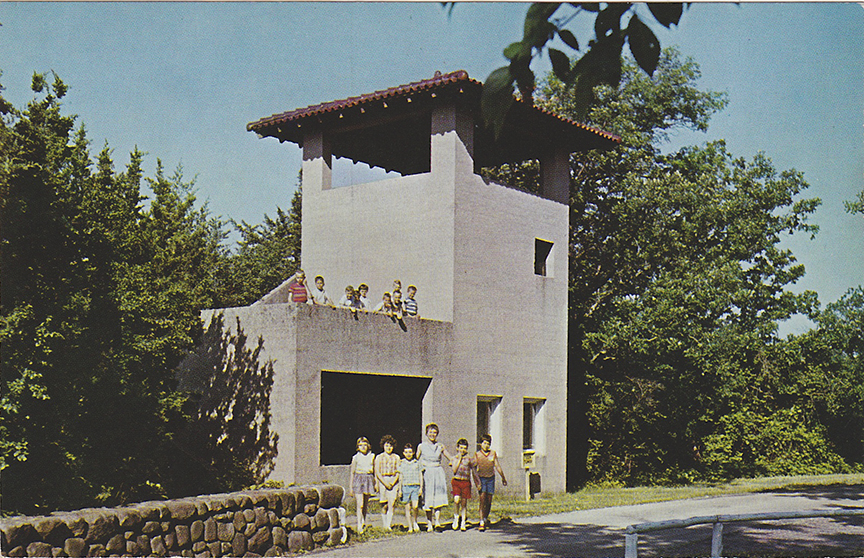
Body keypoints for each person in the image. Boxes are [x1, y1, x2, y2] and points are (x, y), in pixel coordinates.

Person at [417, 423, 452, 531]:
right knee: (428, 497)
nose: (432, 434)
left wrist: (459, 458)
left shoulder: (440, 446)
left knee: (438, 497)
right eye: (430, 432)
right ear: (426, 433)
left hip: (438, 472)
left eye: (434, 432)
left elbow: (450, 457)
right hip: (427, 473)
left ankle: (437, 521)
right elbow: (416, 461)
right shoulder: (421, 446)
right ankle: (429, 522)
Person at [475, 434, 507, 531]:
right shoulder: (477, 454)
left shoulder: (493, 453)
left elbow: (497, 466)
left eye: (488, 443)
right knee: (482, 499)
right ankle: (481, 521)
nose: (486, 445)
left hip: (490, 479)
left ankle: (485, 518)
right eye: (484, 443)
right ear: (480, 444)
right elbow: (474, 469)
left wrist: (503, 477)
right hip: (482, 478)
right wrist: (477, 482)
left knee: (488, 501)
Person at [449, 438, 480, 531]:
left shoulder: (469, 459)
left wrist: (477, 482)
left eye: (464, 448)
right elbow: (454, 470)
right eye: (461, 448)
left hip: (466, 482)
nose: (462, 450)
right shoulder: (454, 458)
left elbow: (474, 471)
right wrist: (459, 458)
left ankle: (463, 521)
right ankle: (456, 518)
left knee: (464, 503)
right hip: (456, 481)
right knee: (456, 500)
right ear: (457, 448)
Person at [350, 437, 376, 534]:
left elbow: (375, 471)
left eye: (365, 445)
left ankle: (363, 522)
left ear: (368, 446)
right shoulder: (355, 457)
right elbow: (352, 472)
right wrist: (351, 487)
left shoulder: (372, 456)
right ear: (358, 447)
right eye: (360, 445)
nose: (363, 447)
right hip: (358, 479)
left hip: (368, 479)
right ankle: (358, 525)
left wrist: (375, 482)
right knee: (360, 504)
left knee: (365, 504)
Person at [375, 435, 401, 530]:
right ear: (383, 446)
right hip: (383, 480)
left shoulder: (396, 457)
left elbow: (399, 471)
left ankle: (388, 525)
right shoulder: (379, 457)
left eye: (390, 445)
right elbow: (377, 472)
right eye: (387, 445)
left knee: (392, 502)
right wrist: (383, 483)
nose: (389, 448)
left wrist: (393, 482)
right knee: (384, 504)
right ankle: (384, 523)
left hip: (393, 480)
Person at [397, 442, 423, 532]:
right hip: (405, 487)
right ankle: (410, 526)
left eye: (410, 452)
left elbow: (420, 475)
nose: (408, 454)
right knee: (407, 507)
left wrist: (421, 488)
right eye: (406, 452)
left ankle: (415, 521)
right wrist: (399, 489)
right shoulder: (402, 463)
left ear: (413, 453)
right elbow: (400, 477)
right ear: (404, 453)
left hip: (415, 486)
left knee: (415, 506)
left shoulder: (417, 463)